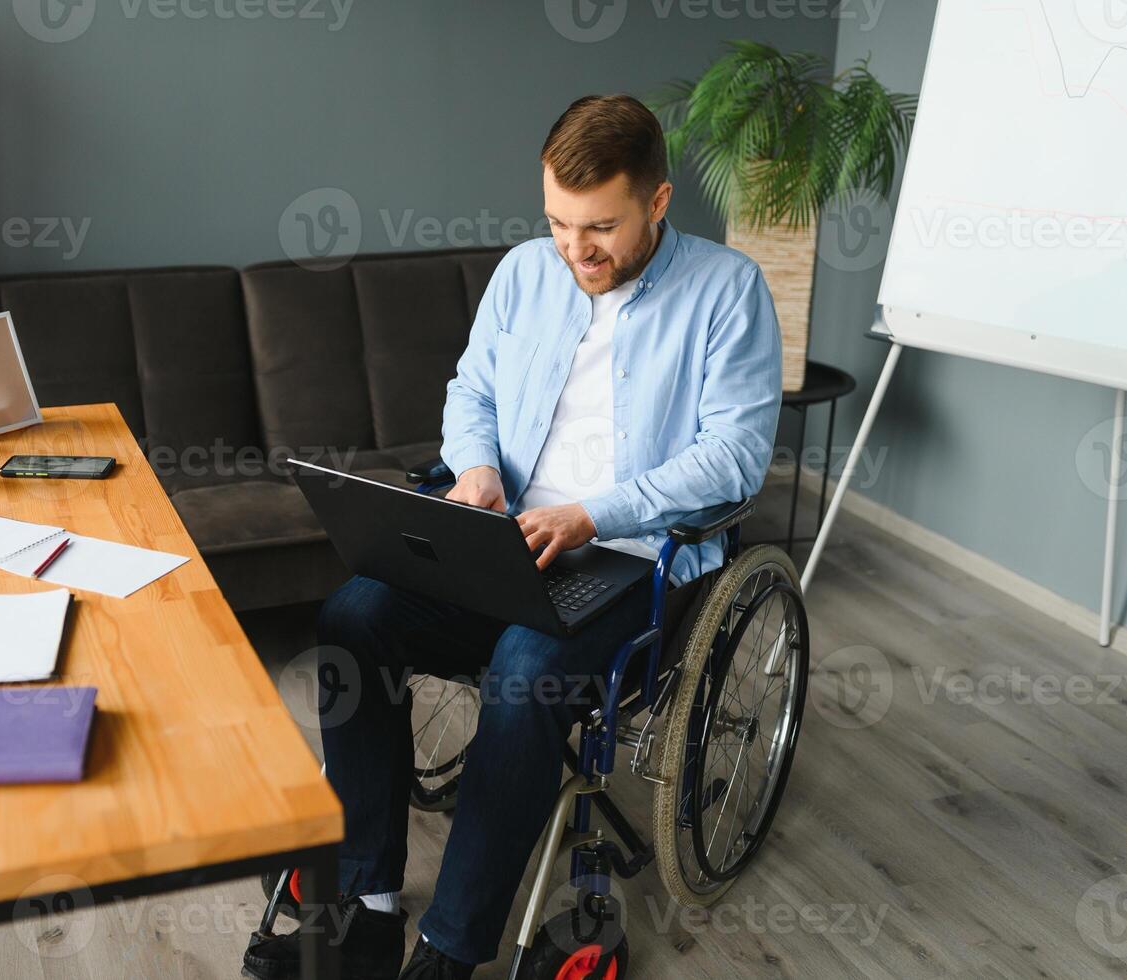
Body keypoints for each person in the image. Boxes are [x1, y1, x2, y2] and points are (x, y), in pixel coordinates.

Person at [244, 93, 782, 980]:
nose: (576, 251)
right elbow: (472, 393)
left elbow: (732, 458)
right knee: (353, 615)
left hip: (636, 559)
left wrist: (592, 513)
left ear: (656, 201)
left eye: (600, 227)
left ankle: (450, 952)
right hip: (502, 536)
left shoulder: (727, 291)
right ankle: (370, 903)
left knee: (528, 672)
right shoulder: (526, 272)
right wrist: (477, 468)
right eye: (559, 224)